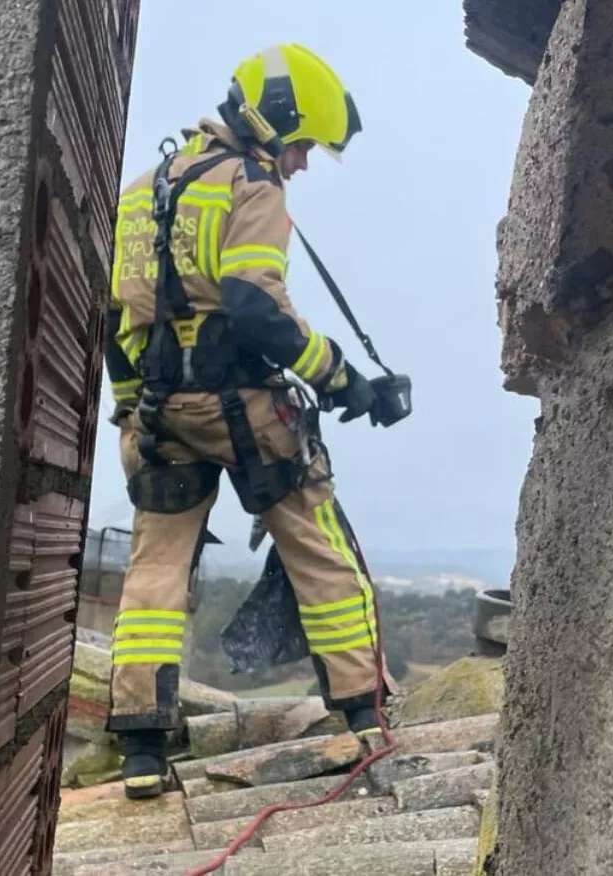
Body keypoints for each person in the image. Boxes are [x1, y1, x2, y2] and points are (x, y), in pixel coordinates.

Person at [101, 43, 394, 800]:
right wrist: (343, 378)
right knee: (318, 545)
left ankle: (139, 746)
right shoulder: (250, 184)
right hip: (244, 411)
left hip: (159, 414)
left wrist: (133, 410)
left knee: (156, 567)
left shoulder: (142, 190)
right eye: (302, 147)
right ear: (276, 124)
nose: (299, 165)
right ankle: (364, 715)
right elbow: (255, 307)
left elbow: (115, 325)